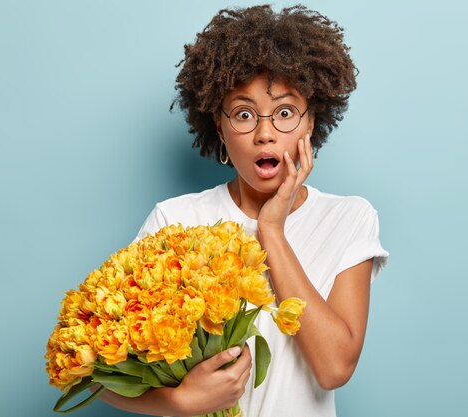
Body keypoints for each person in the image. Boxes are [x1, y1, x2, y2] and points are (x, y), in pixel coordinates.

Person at [98, 5, 388, 417]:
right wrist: (180, 402)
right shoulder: (173, 220)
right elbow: (96, 374)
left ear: (311, 122)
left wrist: (271, 230)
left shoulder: (350, 218)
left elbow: (334, 368)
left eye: (285, 113)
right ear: (219, 126)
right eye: (244, 114)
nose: (265, 133)